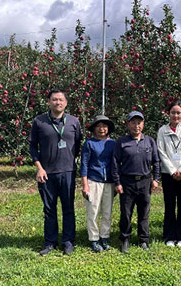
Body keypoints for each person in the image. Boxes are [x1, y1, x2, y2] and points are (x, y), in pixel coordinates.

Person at [29, 89, 81, 256]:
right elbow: (32, 146)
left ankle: (67, 241)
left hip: (68, 172)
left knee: (68, 208)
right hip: (47, 173)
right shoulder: (39, 121)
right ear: (49, 102)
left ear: (66, 103)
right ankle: (50, 242)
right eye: (54, 100)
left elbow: (78, 144)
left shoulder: (73, 122)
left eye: (61, 100)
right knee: (49, 209)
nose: (58, 102)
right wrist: (39, 167)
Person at [112, 111, 160, 253]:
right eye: (133, 122)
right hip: (127, 182)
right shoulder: (121, 142)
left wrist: (156, 179)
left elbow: (156, 161)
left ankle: (143, 240)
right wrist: (117, 182)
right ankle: (125, 239)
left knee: (144, 212)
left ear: (143, 124)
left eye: (139, 122)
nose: (136, 125)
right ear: (128, 124)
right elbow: (115, 163)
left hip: (145, 182)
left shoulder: (150, 141)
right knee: (126, 213)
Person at [157, 101, 181, 248]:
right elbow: (162, 152)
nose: (176, 115)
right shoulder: (162, 131)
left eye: (178, 113)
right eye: (173, 112)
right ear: (168, 113)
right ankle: (169, 235)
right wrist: (173, 171)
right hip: (168, 174)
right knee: (170, 205)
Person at [80, 115, 116, 253]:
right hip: (93, 180)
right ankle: (94, 239)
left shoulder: (112, 143)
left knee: (107, 211)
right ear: (94, 128)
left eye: (104, 126)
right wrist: (85, 184)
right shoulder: (89, 143)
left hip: (109, 182)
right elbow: (84, 164)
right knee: (93, 211)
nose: (102, 129)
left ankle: (104, 237)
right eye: (99, 126)